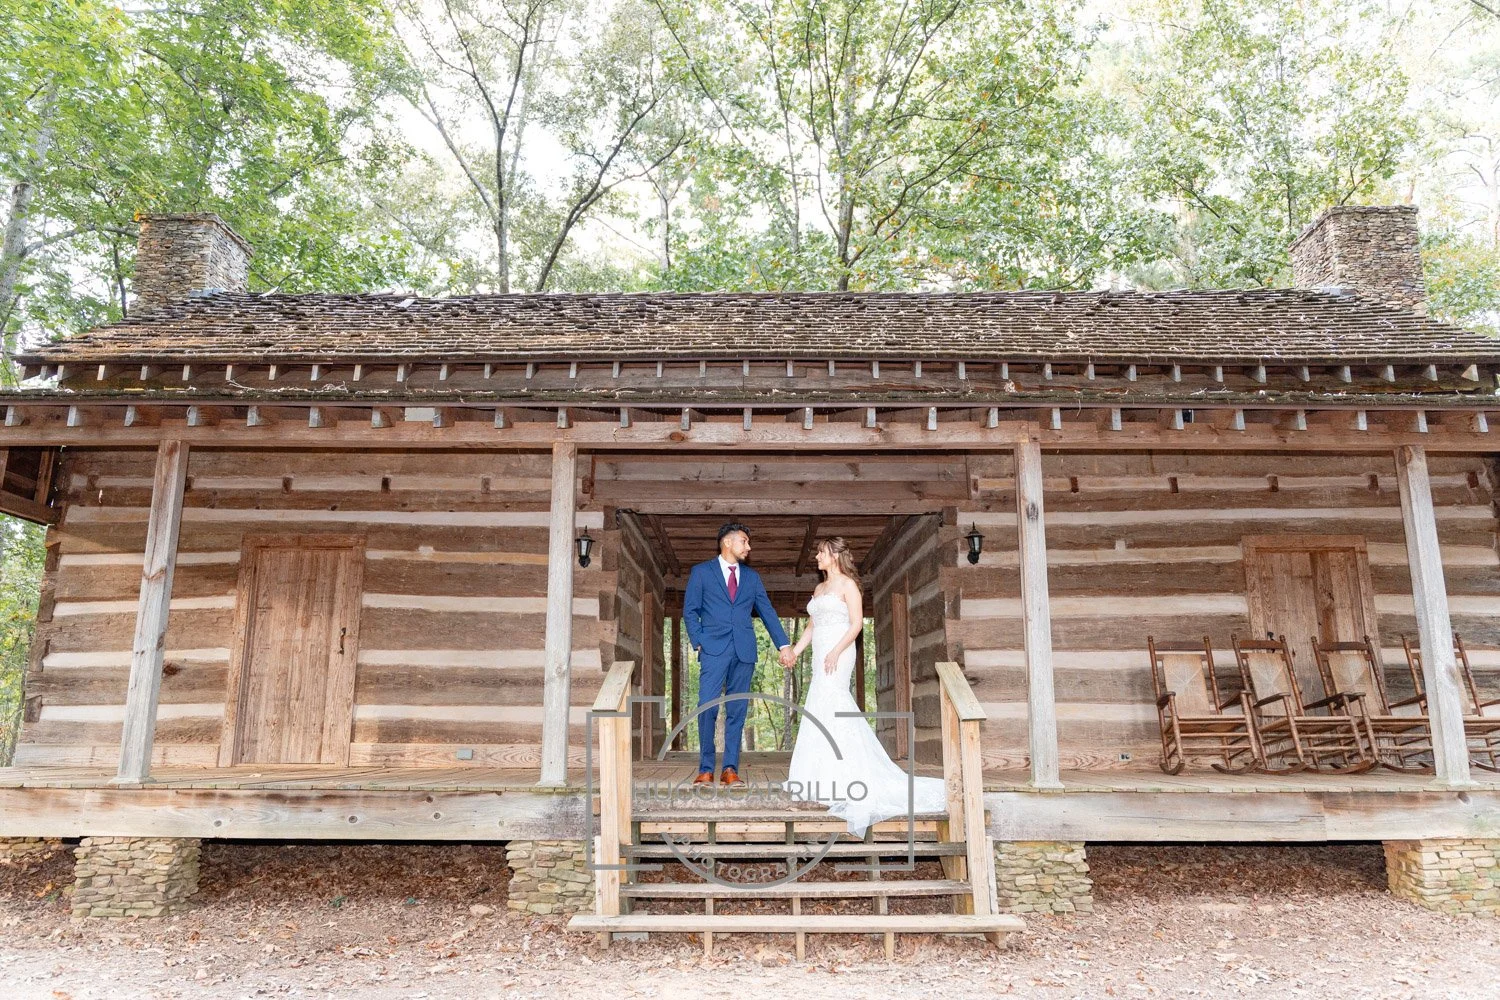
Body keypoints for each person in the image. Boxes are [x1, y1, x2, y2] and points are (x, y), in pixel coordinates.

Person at [784, 536, 946, 835]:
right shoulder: (819, 589)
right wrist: (795, 651)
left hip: (840, 651)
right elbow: (812, 626)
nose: (817, 557)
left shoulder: (848, 585)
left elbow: (857, 623)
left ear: (833, 555)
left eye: (820, 552)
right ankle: (819, 780)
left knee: (834, 702)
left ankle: (846, 777)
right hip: (821, 650)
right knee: (818, 707)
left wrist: (835, 651)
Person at [681, 522, 794, 786]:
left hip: (744, 651)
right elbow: (690, 610)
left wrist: (783, 644)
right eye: (745, 541)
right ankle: (706, 768)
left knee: (737, 711)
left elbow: (766, 611)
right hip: (712, 650)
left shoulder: (752, 578)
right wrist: (698, 641)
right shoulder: (701, 573)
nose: (749, 547)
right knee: (706, 706)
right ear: (728, 542)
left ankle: (730, 768)